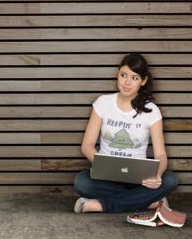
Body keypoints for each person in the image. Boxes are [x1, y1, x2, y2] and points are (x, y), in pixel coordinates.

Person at [73, 53, 178, 213]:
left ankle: (101, 205)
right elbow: (87, 145)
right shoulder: (103, 103)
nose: (127, 82)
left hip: (139, 180)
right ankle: (148, 202)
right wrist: (103, 164)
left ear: (143, 81)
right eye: (123, 75)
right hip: (106, 177)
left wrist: (157, 175)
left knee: (170, 180)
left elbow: (161, 156)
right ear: (118, 75)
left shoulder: (152, 111)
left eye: (134, 78)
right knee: (81, 182)